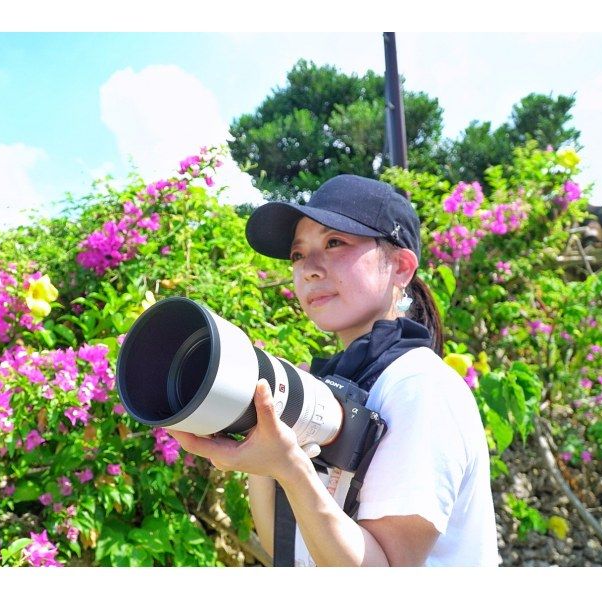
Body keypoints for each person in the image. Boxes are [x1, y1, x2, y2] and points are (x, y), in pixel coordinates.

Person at [167, 174, 499, 567]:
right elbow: (291, 553)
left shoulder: (417, 387)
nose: (308, 268)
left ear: (401, 267)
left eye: (334, 242)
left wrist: (290, 469)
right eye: (297, 254)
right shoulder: (335, 386)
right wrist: (259, 446)